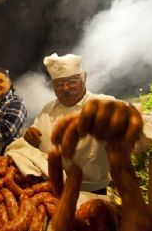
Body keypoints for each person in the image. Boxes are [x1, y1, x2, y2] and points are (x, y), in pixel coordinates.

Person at [23, 53, 115, 194]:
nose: (65, 88)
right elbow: (35, 131)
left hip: (91, 191)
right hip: (50, 187)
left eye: (72, 81)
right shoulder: (48, 108)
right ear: (53, 86)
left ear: (84, 78)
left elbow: (134, 123)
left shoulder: (104, 103)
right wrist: (30, 134)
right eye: (59, 84)